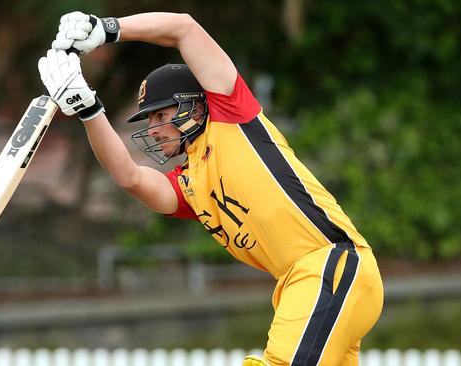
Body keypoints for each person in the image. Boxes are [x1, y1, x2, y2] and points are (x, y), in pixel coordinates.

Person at [38, 11, 384, 366]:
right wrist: (89, 110)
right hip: (299, 286)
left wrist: (108, 29)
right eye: (149, 120)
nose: (153, 129)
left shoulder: (230, 116)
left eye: (160, 115)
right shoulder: (189, 183)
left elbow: (184, 28)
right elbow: (130, 176)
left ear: (193, 103)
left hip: (332, 265)